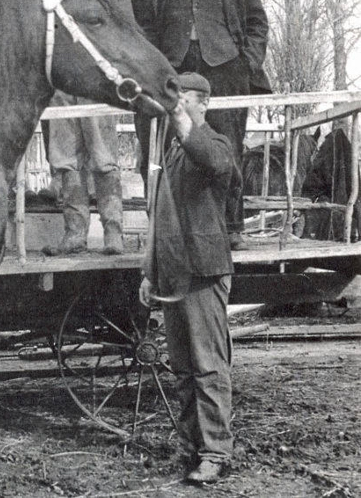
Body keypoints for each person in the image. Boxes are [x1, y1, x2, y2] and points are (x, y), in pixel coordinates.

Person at [147, 0, 271, 250]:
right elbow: (152, 25)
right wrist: (159, 65)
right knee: (177, 147)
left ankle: (231, 226)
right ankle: (180, 229)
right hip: (178, 70)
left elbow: (258, 23)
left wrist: (246, 64)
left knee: (228, 146)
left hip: (226, 72)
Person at [139, 72, 235, 485]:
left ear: (203, 104)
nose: (176, 107)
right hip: (174, 271)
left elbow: (212, 161)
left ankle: (216, 453)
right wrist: (149, 273)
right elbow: (158, 216)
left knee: (208, 367)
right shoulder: (170, 151)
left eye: (185, 100)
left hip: (203, 269)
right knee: (182, 369)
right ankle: (190, 448)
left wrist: (179, 119)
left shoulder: (216, 143)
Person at [40, 0, 135, 256]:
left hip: (98, 81)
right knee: (65, 158)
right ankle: (75, 232)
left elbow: (124, 29)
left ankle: (113, 231)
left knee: (103, 157)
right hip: (64, 82)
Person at [124, 0, 185, 190]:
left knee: (184, 148)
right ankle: (154, 213)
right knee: (150, 151)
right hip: (145, 73)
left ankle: (182, 215)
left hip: (182, 70)